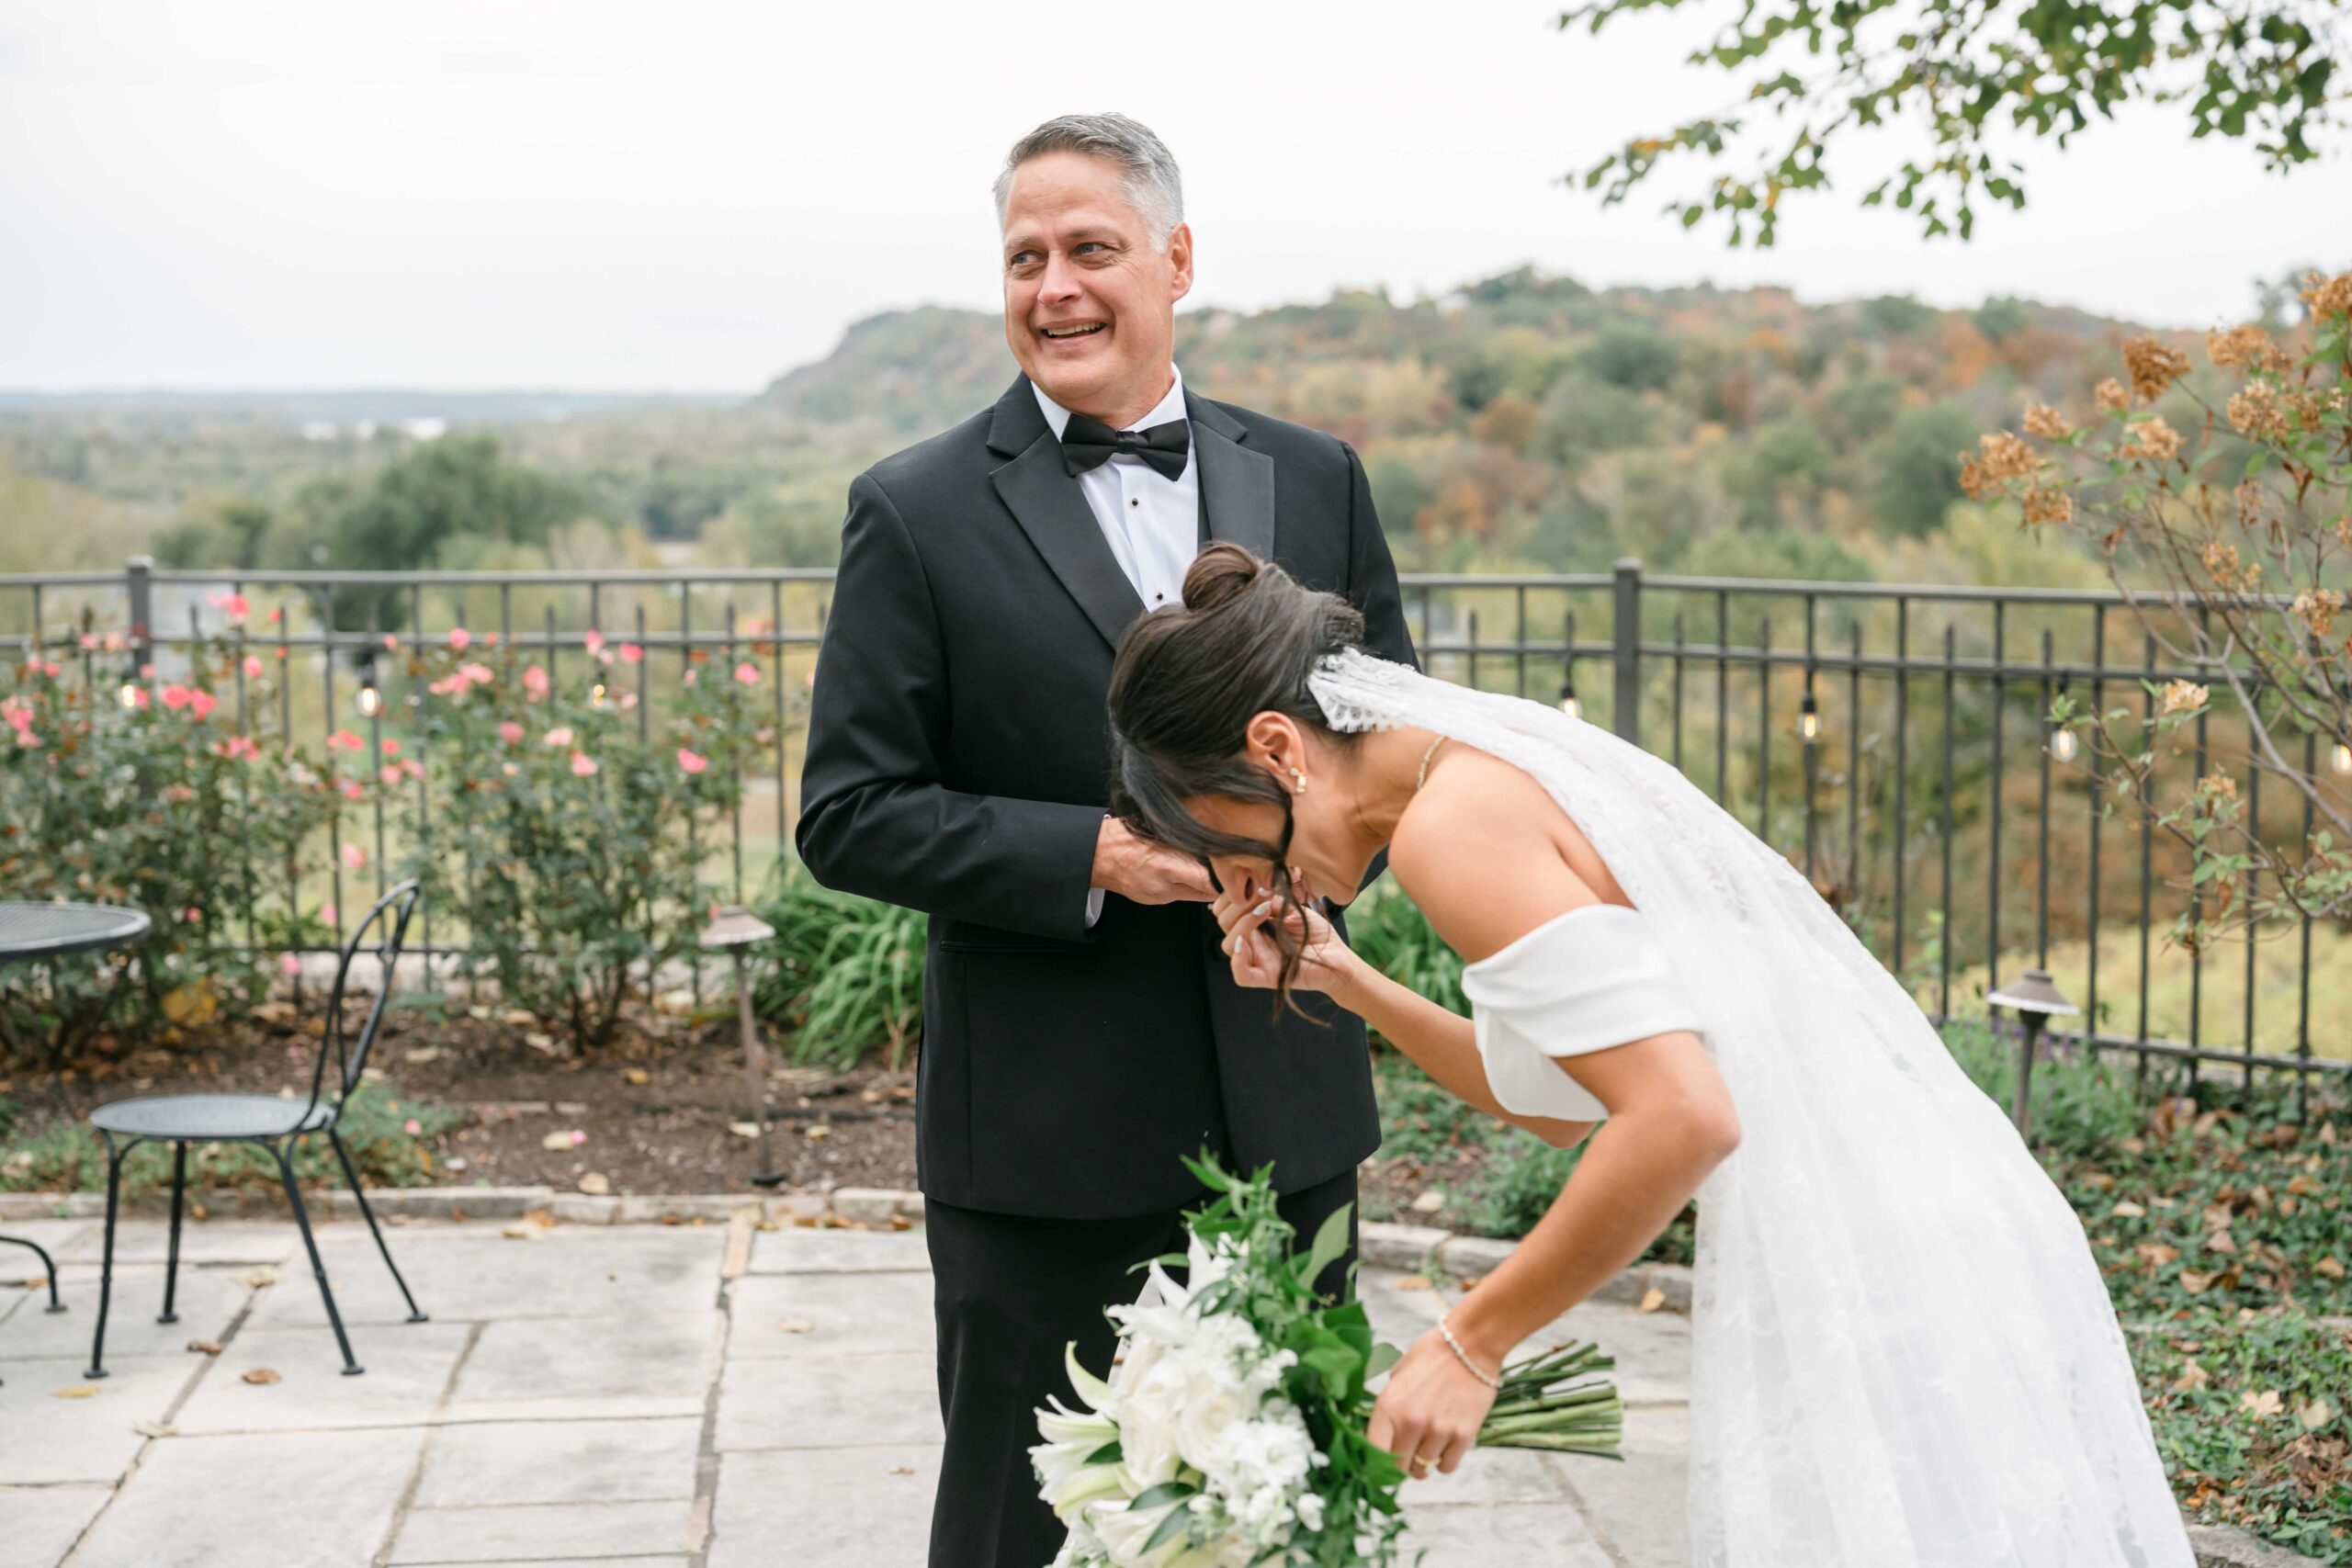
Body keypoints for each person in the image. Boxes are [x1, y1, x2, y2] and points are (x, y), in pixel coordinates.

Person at [1102, 541, 2197, 1568]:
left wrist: (1470, 1340)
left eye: (1229, 845)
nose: (1245, 883)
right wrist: (1347, 977)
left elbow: (1681, 1120)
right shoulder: (1479, 764)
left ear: (1279, 750)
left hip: (1872, 1252)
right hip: (1893, 1212)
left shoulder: (1452, 829)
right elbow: (1561, 1106)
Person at [795, 115, 1415, 1568]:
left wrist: (1313, 876)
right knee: (1029, 1528)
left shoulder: (1316, 475)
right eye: (1025, 257)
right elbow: (848, 810)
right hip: (1042, 1142)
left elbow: (1389, 755)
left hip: (1289, 1110)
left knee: (1291, 1516)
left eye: (1090, 248)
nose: (1055, 287)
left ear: (1177, 260)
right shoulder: (915, 508)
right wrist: (1099, 853)